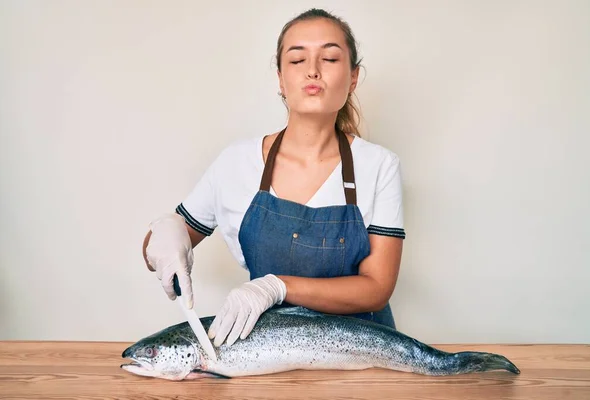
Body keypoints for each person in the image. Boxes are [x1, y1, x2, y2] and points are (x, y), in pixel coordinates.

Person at [142, 8, 405, 348]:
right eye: (297, 61)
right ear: (281, 78)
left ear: (353, 77)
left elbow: (377, 288)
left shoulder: (379, 165)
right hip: (267, 356)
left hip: (367, 355)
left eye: (329, 58)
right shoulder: (236, 164)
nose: (313, 70)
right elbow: (162, 244)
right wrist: (163, 235)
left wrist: (277, 286)